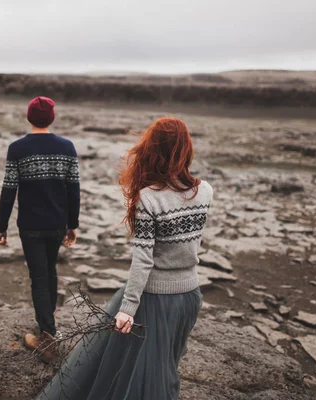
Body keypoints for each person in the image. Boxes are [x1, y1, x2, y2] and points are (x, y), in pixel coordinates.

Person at [37, 117, 213, 400]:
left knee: (147, 379)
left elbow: (143, 259)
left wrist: (128, 308)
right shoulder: (205, 191)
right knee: (165, 366)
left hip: (154, 299)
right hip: (190, 296)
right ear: (185, 149)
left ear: (152, 150)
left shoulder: (148, 198)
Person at [0, 96, 80, 363]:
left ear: (29, 117)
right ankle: (48, 320)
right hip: (56, 223)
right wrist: (72, 224)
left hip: (30, 225)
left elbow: (9, 189)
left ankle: (47, 337)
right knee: (49, 268)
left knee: (39, 276)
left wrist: (2, 226)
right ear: (52, 118)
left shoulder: (17, 148)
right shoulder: (66, 147)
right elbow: (73, 189)